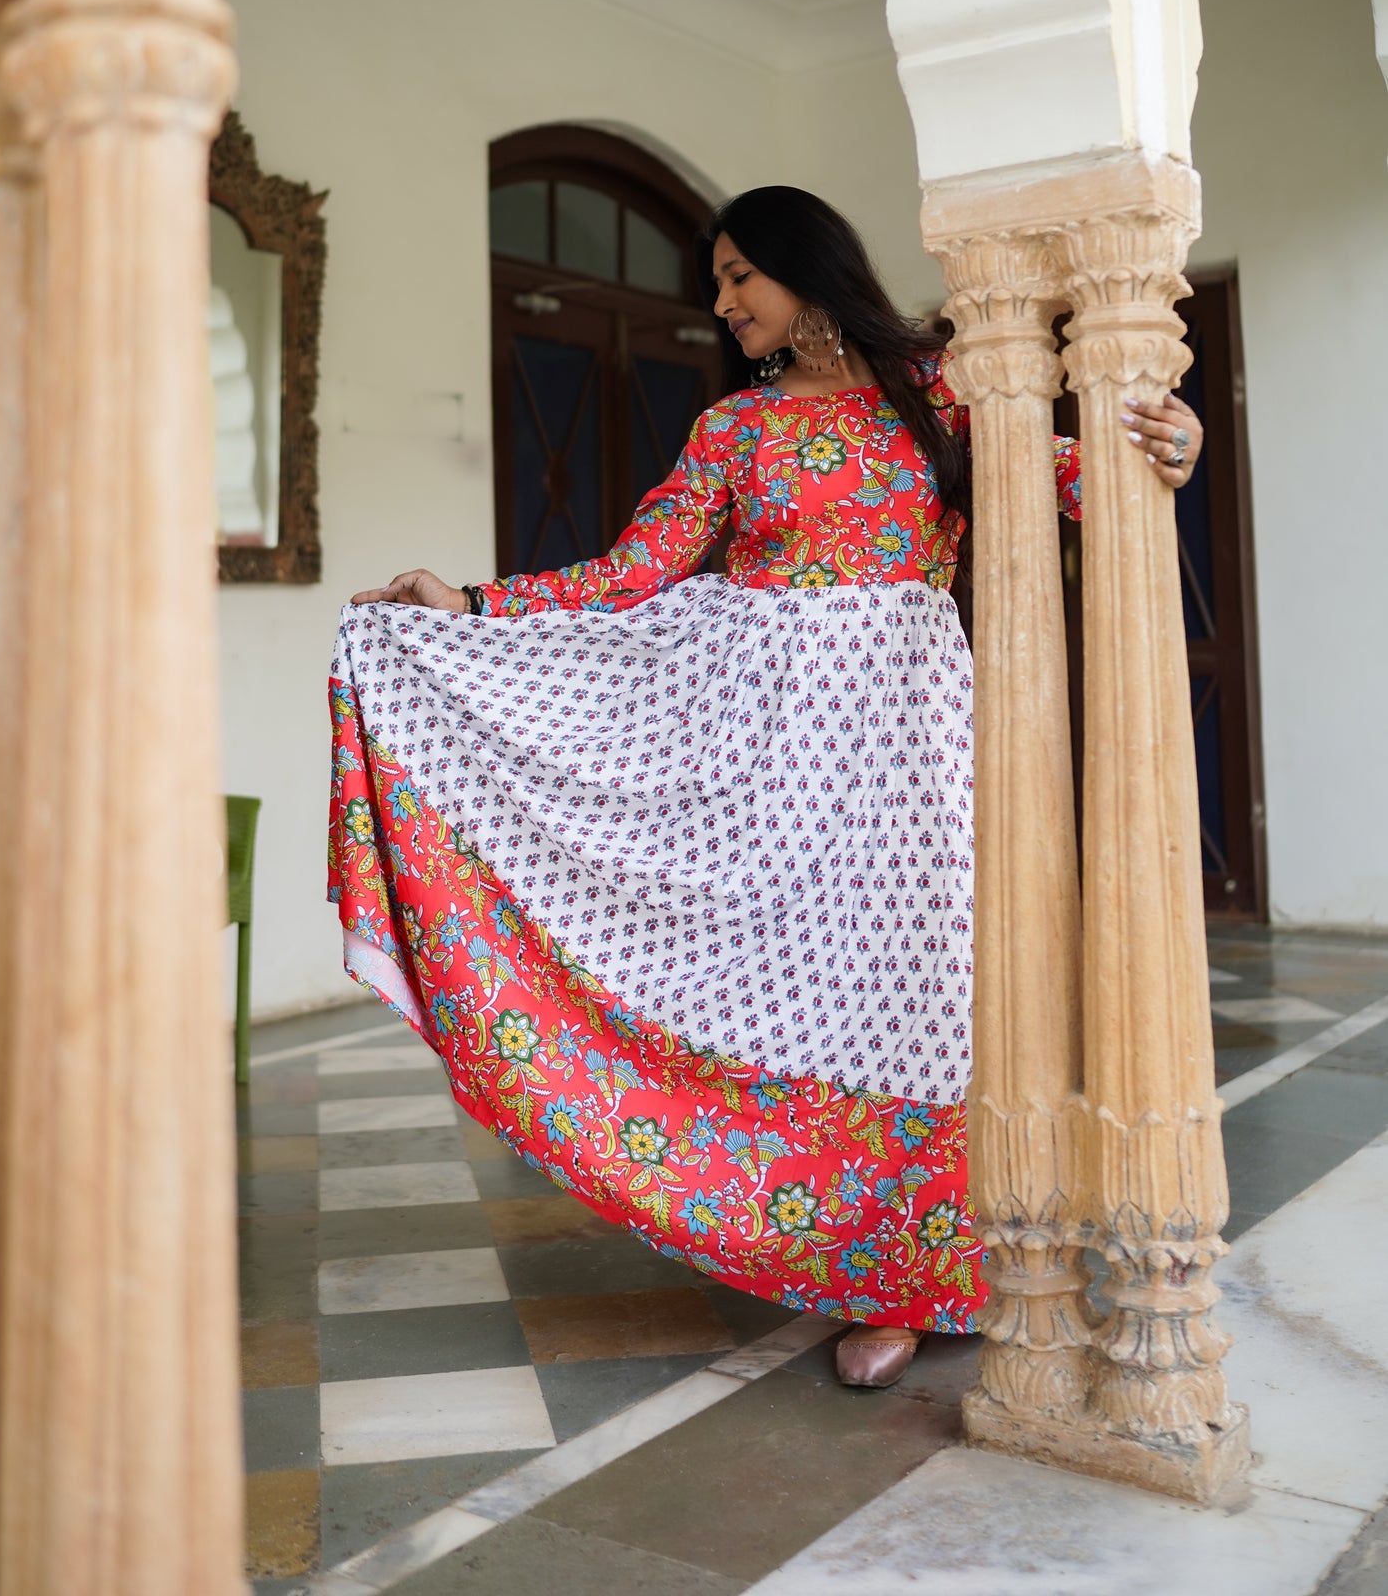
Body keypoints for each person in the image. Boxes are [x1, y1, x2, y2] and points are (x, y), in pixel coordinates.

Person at [329, 186, 1202, 1387]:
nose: (722, 299)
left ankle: (938, 1265)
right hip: (760, 762)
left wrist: (1170, 444)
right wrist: (470, 605)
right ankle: (856, 1271)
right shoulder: (734, 432)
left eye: (740, 273)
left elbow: (1077, 479)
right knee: (817, 994)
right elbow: (636, 571)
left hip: (904, 750)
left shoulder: (942, 387)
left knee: (925, 991)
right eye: (715, 279)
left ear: (808, 268)